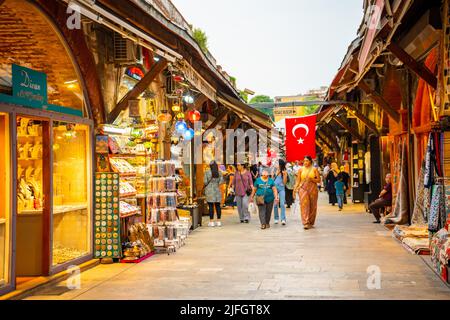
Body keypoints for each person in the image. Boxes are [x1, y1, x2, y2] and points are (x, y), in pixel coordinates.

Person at [293, 156, 321, 230]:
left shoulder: (314, 169)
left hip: (313, 188)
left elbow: (318, 180)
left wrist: (312, 179)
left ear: (310, 161)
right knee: (304, 205)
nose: (305, 162)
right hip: (303, 188)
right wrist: (295, 189)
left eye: (307, 161)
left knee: (313, 205)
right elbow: (298, 180)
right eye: (304, 161)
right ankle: (305, 222)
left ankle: (311, 222)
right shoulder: (300, 170)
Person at [204, 161, 224, 227]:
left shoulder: (207, 172)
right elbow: (221, 182)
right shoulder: (220, 172)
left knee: (211, 206)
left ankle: (211, 222)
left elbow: (205, 182)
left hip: (209, 191)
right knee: (218, 206)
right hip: (217, 190)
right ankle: (218, 221)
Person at [273, 159, 288, 225]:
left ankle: (283, 219)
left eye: (277, 163)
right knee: (275, 204)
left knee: (282, 204)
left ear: (280, 164)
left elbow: (284, 183)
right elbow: (272, 181)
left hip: (281, 188)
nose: (275, 164)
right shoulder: (274, 170)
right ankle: (276, 218)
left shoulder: (284, 171)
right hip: (274, 189)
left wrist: (284, 175)